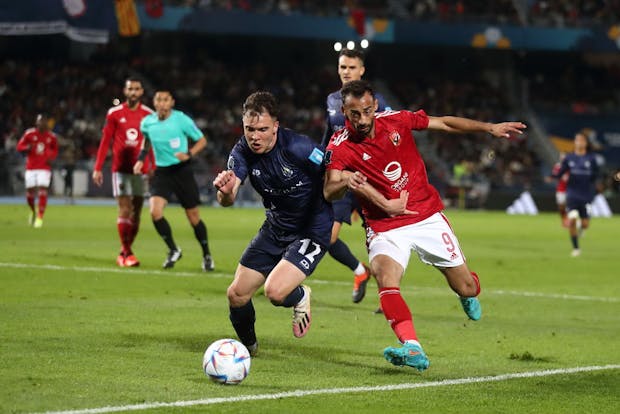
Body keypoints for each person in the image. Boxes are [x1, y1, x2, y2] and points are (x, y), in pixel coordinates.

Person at [323, 80, 526, 371]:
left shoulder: (397, 121)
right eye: (355, 114)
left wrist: (489, 128)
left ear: (375, 106)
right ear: (344, 111)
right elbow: (329, 190)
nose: (363, 119)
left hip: (426, 216)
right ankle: (412, 347)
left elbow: (443, 124)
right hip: (385, 226)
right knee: (384, 277)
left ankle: (467, 293)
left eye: (367, 111)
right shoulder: (340, 145)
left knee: (466, 287)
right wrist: (345, 180)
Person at [213, 91, 333, 356]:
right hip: (276, 227)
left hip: (310, 230)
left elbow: (333, 173)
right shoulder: (241, 151)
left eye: (262, 129)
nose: (255, 136)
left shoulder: (299, 148)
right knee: (237, 294)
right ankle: (247, 350)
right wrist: (223, 190)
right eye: (249, 129)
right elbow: (229, 196)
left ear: (276, 126)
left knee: (275, 292)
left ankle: (299, 295)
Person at [322, 49, 391, 304]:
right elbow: (328, 138)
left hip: (370, 180)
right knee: (326, 236)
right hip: (341, 178)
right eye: (342, 67)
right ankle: (359, 271)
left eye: (351, 67)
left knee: (381, 239)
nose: (346, 72)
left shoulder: (377, 102)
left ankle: (389, 297)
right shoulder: (331, 100)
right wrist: (320, 166)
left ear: (362, 70)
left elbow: (389, 139)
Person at [133, 89, 214, 271]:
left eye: (165, 100)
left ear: (172, 102)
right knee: (155, 212)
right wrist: (140, 159)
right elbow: (146, 141)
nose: (162, 103)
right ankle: (173, 249)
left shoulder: (181, 119)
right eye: (158, 99)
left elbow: (202, 140)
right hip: (162, 172)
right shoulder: (147, 123)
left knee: (193, 217)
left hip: (182, 171)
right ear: (154, 103)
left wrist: (189, 154)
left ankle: (207, 254)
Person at [93, 78, 154, 267]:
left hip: (141, 170)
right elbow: (105, 141)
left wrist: (152, 165)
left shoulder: (149, 115)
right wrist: (97, 167)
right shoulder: (114, 113)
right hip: (120, 169)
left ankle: (125, 251)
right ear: (125, 91)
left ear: (142, 91)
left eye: (137, 89)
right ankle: (127, 253)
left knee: (136, 213)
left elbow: (151, 143)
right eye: (130, 89)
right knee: (125, 209)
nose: (133, 92)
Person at [549, 132, 599, 257]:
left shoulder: (591, 159)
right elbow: (561, 172)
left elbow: (595, 176)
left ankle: (581, 227)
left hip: (586, 195)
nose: (579, 142)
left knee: (585, 224)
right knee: (571, 221)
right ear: (575, 142)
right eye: (577, 140)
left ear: (586, 143)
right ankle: (576, 248)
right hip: (572, 194)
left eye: (582, 140)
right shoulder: (569, 158)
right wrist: (553, 176)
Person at [16, 113, 59, 228]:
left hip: (44, 167)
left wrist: (52, 158)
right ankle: (32, 210)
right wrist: (27, 148)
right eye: (40, 121)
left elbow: (55, 150)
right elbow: (19, 146)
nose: (42, 123)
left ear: (47, 123)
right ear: (36, 122)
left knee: (42, 189)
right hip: (31, 167)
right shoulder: (29, 134)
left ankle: (40, 217)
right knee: (30, 193)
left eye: (44, 121)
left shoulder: (52, 136)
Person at [550, 152, 569, 227]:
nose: (562, 158)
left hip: (569, 190)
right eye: (561, 156)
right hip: (560, 189)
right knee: (561, 206)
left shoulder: (571, 166)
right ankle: (564, 219)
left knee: (569, 206)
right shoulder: (557, 166)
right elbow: (554, 175)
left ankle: (568, 221)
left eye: (564, 156)